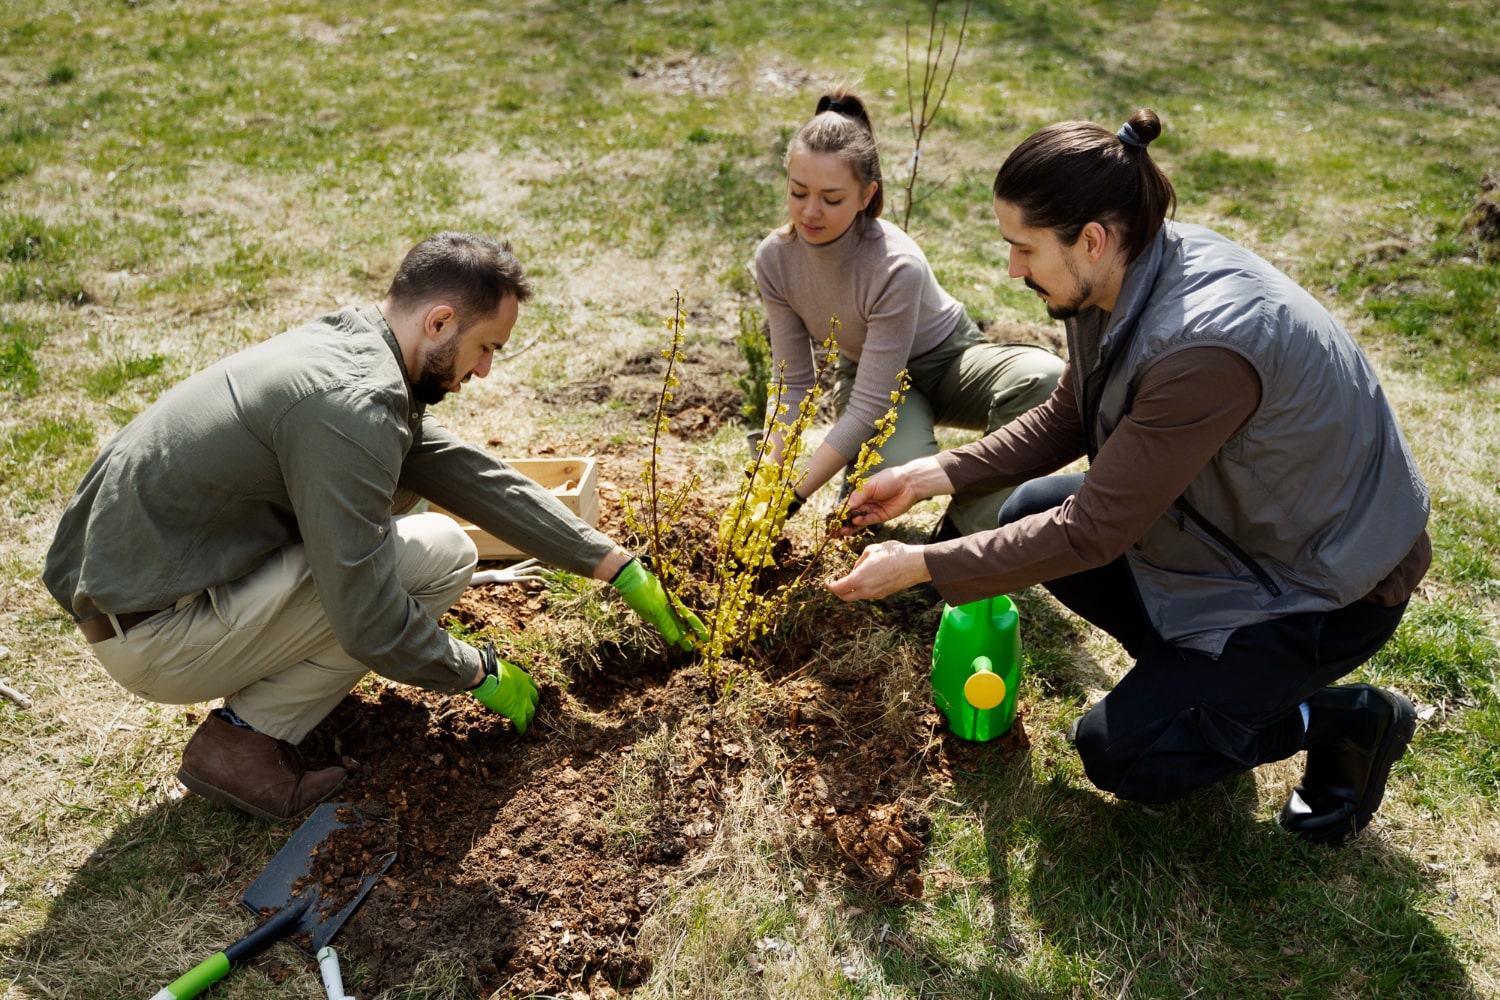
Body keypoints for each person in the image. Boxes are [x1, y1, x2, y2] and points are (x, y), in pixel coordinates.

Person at [827, 110, 1431, 846]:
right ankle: (1208, 700)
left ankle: (1344, 718)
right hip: (1235, 543)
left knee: (1125, 753)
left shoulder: (1202, 346)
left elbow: (1095, 531)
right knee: (1026, 514)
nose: (1012, 269)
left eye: (1023, 249)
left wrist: (921, 565)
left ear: (1091, 238)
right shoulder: (1120, 276)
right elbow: (1070, 417)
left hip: (1319, 587)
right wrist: (935, 473)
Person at [44, 232, 704, 822]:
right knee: (428, 560)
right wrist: (478, 673)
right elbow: (368, 619)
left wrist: (612, 564)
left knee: (429, 540)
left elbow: (464, 472)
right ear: (441, 320)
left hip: (148, 593)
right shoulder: (352, 405)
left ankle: (267, 702)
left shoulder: (358, 346)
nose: (484, 370)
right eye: (484, 348)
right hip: (155, 637)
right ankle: (244, 742)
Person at [750, 90, 1063, 537]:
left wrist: (794, 497)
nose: (810, 211)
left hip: (949, 362)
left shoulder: (895, 263)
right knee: (890, 472)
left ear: (866, 195)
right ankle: (856, 511)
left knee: (1046, 379)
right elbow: (792, 384)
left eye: (832, 199)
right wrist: (767, 485)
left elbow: (872, 405)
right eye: (798, 192)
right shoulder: (775, 261)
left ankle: (959, 539)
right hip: (872, 377)